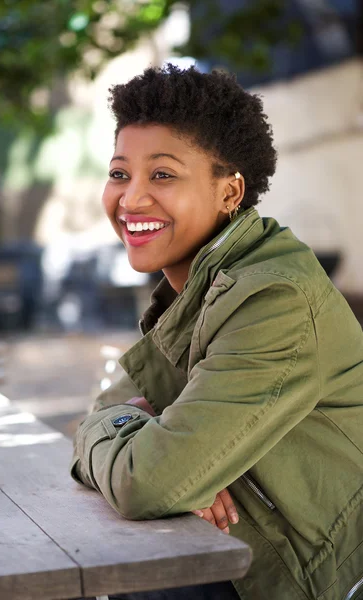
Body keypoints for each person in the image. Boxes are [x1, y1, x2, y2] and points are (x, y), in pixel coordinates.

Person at [70, 64, 363, 600]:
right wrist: (136, 445)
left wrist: (147, 454)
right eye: (119, 174)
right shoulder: (187, 297)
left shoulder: (274, 298)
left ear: (230, 192)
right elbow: (110, 426)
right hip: (236, 557)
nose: (131, 199)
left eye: (162, 175)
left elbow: (145, 482)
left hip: (308, 581)